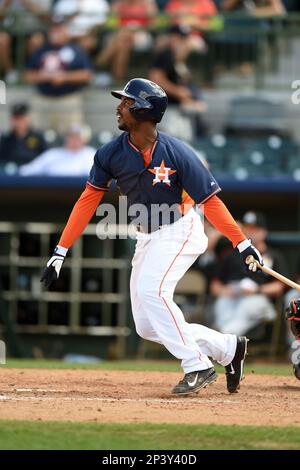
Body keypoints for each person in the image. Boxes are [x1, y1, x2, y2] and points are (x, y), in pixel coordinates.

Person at [40, 78, 264, 396]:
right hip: (146, 236)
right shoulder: (110, 153)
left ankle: (197, 364)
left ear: (144, 110)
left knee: (153, 293)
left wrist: (242, 243)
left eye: (127, 102)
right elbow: (87, 200)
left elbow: (210, 202)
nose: (119, 107)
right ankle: (227, 348)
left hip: (180, 229)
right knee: (147, 325)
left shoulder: (178, 153)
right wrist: (61, 251)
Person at [210, 211, 287, 336]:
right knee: (222, 303)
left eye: (254, 229)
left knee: (246, 308)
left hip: (258, 297)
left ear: (263, 232)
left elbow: (279, 286)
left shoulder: (273, 255)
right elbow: (215, 286)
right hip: (233, 296)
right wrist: (225, 290)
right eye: (247, 228)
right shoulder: (232, 254)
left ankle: (225, 338)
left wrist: (257, 290)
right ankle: (229, 341)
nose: (250, 232)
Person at [24, 15, 92, 133]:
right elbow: (28, 75)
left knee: (71, 135)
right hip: (43, 99)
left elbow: (86, 75)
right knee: (37, 135)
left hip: (67, 99)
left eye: (59, 29)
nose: (56, 32)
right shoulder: (42, 50)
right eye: (54, 29)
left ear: (66, 31)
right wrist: (48, 76)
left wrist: (64, 77)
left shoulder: (76, 50)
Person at [19, 123, 95, 176]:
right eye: (71, 135)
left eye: (77, 136)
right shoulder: (53, 154)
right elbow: (28, 170)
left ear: (85, 139)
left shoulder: (91, 155)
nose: (73, 139)